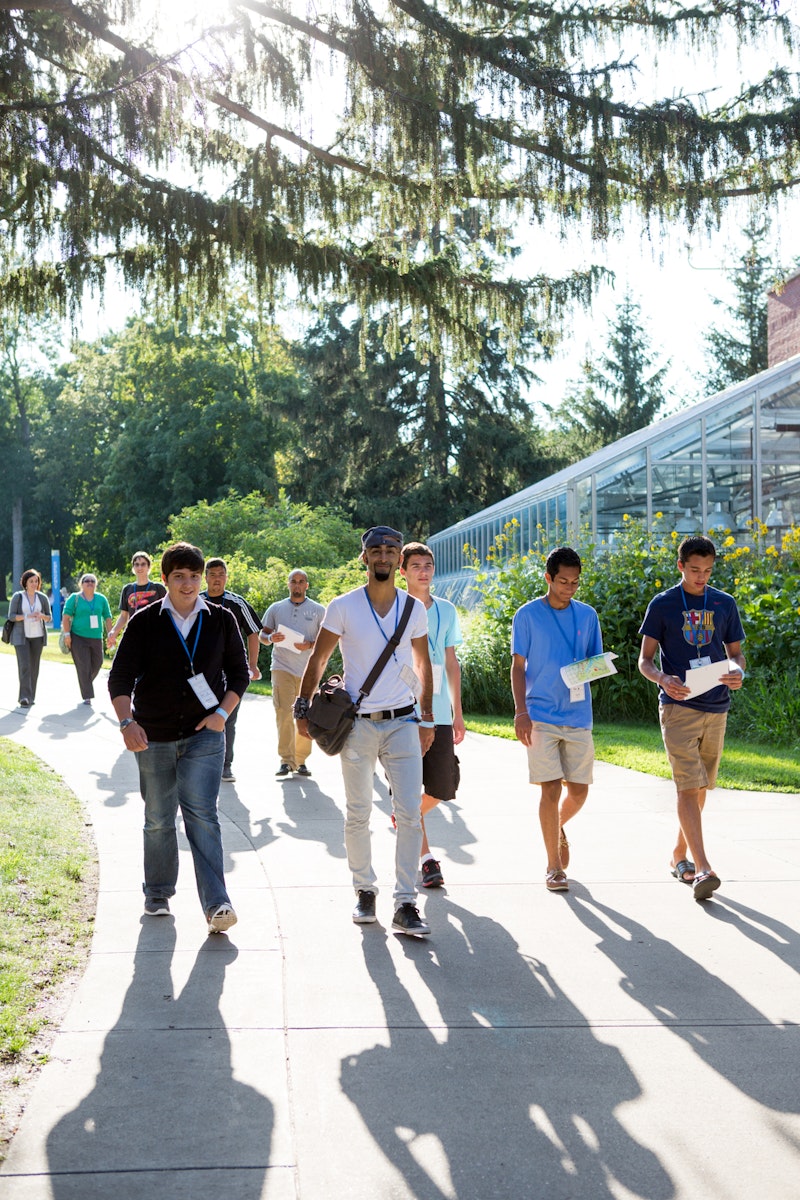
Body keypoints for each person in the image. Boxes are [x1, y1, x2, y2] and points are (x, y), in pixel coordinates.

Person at [294, 525, 435, 935]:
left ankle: (406, 902)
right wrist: (301, 707)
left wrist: (426, 719)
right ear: (365, 558)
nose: (384, 557)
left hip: (404, 723)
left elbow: (423, 666)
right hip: (357, 726)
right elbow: (318, 661)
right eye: (376, 550)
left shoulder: (414, 609)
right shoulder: (343, 607)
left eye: (391, 550)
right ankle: (364, 891)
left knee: (409, 814)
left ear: (399, 561)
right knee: (357, 813)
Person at [108, 541, 249, 932]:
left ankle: (217, 904)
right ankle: (158, 893)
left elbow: (239, 674)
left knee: (202, 813)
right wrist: (126, 723)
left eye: (194, 576)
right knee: (158, 817)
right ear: (165, 580)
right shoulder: (144, 621)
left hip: (205, 735)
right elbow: (119, 678)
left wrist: (222, 713)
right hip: (153, 736)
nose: (188, 585)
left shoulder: (221, 619)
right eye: (179, 577)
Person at [638, 534, 745, 902]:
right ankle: (703, 868)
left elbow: (736, 655)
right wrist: (663, 678)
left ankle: (678, 855)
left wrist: (736, 672)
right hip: (678, 705)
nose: (702, 577)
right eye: (695, 570)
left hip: (717, 706)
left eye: (708, 571)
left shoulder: (724, 603)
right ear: (680, 565)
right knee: (687, 785)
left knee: (700, 789)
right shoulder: (663, 604)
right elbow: (645, 660)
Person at [511, 546, 604, 893]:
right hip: (540, 714)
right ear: (548, 578)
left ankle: (556, 826)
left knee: (578, 792)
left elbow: (597, 663)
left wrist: (586, 669)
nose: (569, 587)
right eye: (563, 581)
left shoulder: (588, 615)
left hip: (579, 714)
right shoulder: (527, 615)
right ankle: (554, 867)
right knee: (550, 788)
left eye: (575, 582)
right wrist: (521, 712)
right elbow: (518, 667)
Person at [399, 541, 464, 888]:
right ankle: (426, 860)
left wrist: (458, 713)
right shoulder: (394, 608)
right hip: (403, 712)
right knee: (409, 787)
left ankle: (405, 818)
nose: (423, 571)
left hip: (439, 711)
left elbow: (451, 663)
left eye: (428, 565)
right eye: (416, 566)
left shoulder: (447, 610)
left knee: (442, 787)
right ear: (403, 571)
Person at [201, 557, 263, 783]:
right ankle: (202, 761)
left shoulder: (237, 603)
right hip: (202, 674)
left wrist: (252, 665)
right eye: (212, 575)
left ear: (227, 577)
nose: (217, 580)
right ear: (205, 577)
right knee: (200, 716)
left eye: (221, 575)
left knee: (228, 719)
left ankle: (225, 765)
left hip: (230, 675)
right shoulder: (196, 601)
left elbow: (253, 632)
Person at [259, 569, 325, 778]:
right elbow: (262, 634)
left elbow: (326, 641)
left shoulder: (319, 611)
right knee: (284, 712)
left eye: (301, 581)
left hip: (309, 670)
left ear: (307, 585)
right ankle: (286, 761)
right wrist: (271, 639)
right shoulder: (276, 608)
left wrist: (310, 645)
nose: (297, 585)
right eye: (293, 581)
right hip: (282, 667)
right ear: (288, 584)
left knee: (306, 713)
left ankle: (301, 759)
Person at [62, 574, 113, 705]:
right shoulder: (75, 598)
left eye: (92, 581)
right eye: (86, 581)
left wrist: (110, 634)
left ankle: (85, 682)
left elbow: (107, 617)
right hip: (78, 637)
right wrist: (67, 635)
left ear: (96, 584)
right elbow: (66, 617)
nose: (89, 583)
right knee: (84, 666)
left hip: (96, 637)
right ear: (81, 584)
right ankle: (87, 696)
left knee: (98, 663)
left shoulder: (101, 599)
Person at [8, 568, 52, 708]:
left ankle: (31, 696)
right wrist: (27, 616)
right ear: (25, 582)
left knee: (34, 667)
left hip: (38, 637)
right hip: (21, 637)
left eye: (36, 581)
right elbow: (11, 616)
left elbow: (49, 617)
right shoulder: (18, 597)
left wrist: (42, 616)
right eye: (31, 581)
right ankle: (24, 697)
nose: (34, 583)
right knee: (25, 666)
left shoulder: (42, 598)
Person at [107, 552, 166, 649]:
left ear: (148, 567)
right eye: (137, 564)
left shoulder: (158, 588)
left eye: (143, 564)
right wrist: (114, 632)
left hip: (154, 633)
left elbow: (166, 613)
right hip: (134, 632)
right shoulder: (127, 589)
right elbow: (123, 617)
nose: (140, 567)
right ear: (133, 567)